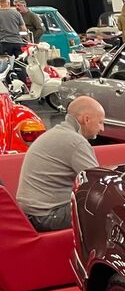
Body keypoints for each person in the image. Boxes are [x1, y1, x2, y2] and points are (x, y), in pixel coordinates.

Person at [15, 96, 104, 232]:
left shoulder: (56, 133)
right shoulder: (76, 142)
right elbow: (97, 184)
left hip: (30, 213)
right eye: (100, 122)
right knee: (105, 211)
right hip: (46, 216)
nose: (102, 128)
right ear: (86, 119)